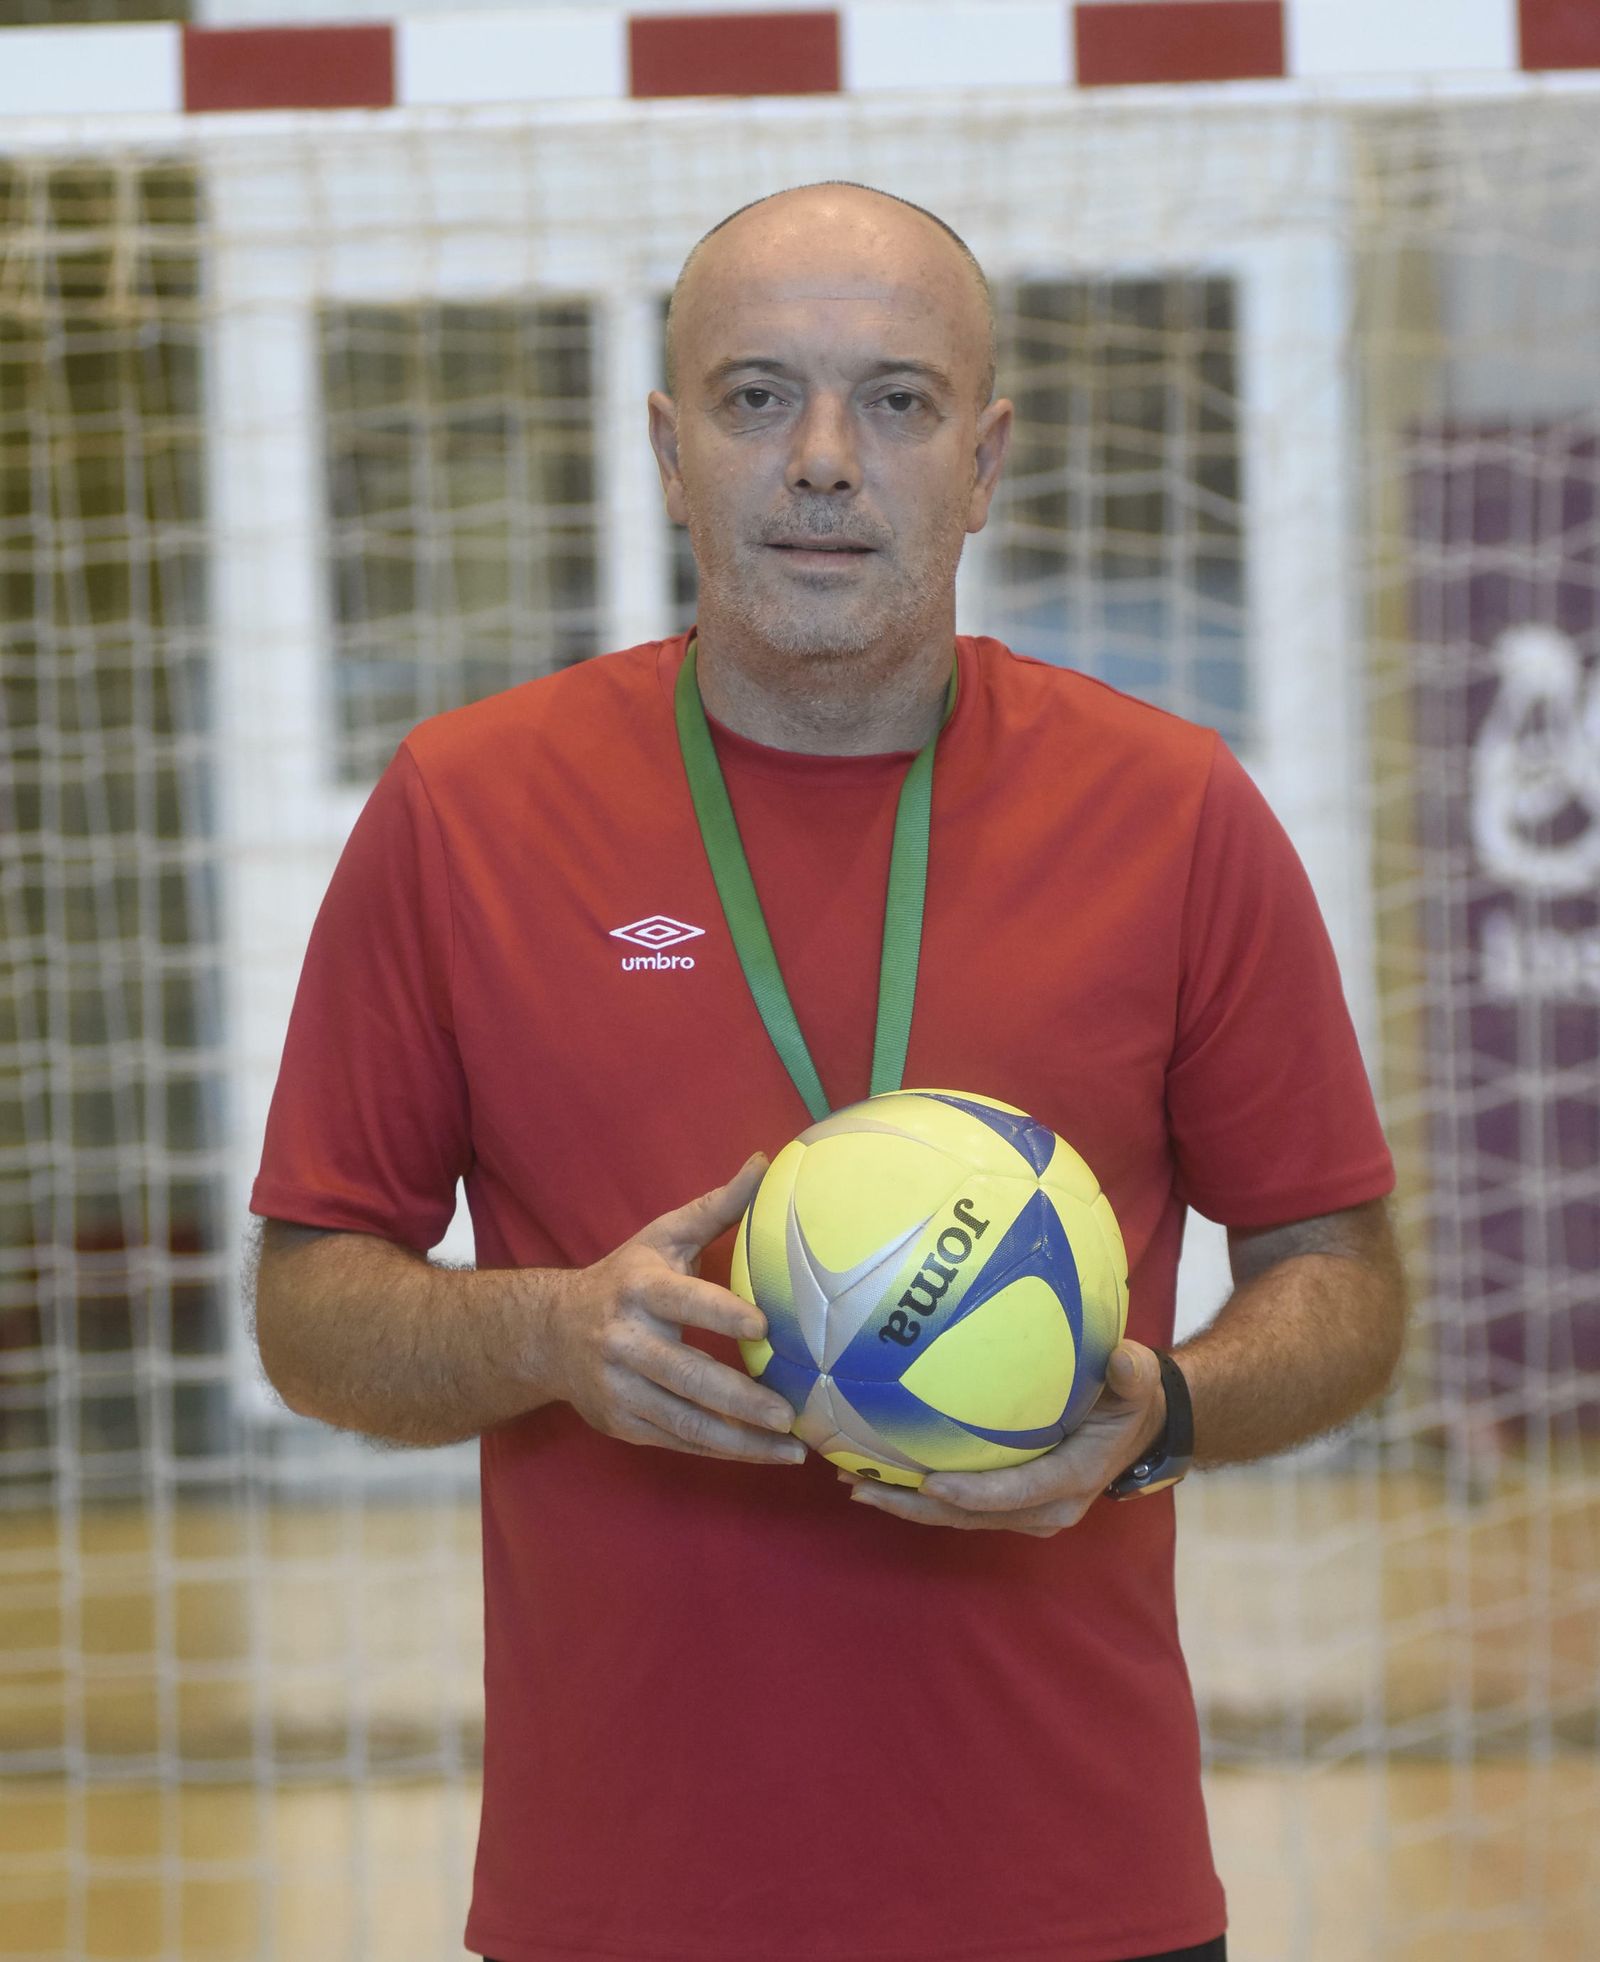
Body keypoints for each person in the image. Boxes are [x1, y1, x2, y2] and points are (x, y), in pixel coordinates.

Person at [250, 183, 1405, 1962]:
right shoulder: (463, 810)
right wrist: (549, 1332)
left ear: (986, 452)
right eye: (753, 394)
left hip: (1079, 1900)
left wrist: (1164, 1412)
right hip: (615, 1908)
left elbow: (1341, 1279)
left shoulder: (1175, 815)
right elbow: (310, 1308)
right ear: (666, 446)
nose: (821, 458)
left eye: (897, 399)